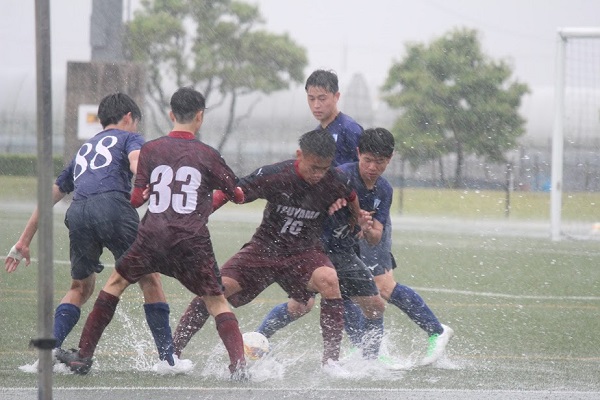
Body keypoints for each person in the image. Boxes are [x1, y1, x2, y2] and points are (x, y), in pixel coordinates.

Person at [56, 86, 248, 379]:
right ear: (200, 117)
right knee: (215, 300)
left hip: (153, 234)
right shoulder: (208, 154)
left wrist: (149, 193)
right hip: (190, 238)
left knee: (116, 282)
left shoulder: (151, 149)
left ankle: (83, 355)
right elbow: (236, 193)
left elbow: (136, 199)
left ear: (171, 114)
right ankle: (238, 366)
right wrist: (209, 202)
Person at [257, 128, 454, 366]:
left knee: (374, 303)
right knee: (301, 305)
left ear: (389, 160)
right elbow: (309, 203)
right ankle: (258, 340)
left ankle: (368, 359)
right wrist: (331, 208)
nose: (372, 167)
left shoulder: (384, 190)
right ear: (359, 154)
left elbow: (374, 237)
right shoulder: (340, 176)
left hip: (343, 252)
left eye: (379, 162)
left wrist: (365, 225)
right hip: (313, 250)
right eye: (367, 160)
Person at [171, 129, 362, 366]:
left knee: (329, 280)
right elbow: (234, 192)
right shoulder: (276, 174)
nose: (318, 175)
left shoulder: (335, 180)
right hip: (264, 249)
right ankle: (172, 352)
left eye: (324, 168)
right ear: (299, 155)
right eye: (314, 167)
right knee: (214, 291)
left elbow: (352, 196)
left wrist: (357, 220)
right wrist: (198, 215)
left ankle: (331, 363)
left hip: (304, 253)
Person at [4, 93, 168, 368]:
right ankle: (169, 359)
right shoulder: (129, 138)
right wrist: (147, 180)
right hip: (113, 207)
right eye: (136, 123)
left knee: (80, 286)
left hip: (78, 212)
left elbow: (53, 195)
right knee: (149, 279)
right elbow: (137, 161)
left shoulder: (84, 150)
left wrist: (24, 239)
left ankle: (47, 354)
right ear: (129, 117)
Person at [306, 69, 363, 166]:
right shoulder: (317, 133)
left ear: (336, 96)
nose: (316, 105)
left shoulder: (350, 128)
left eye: (322, 99)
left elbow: (364, 169)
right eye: (311, 99)